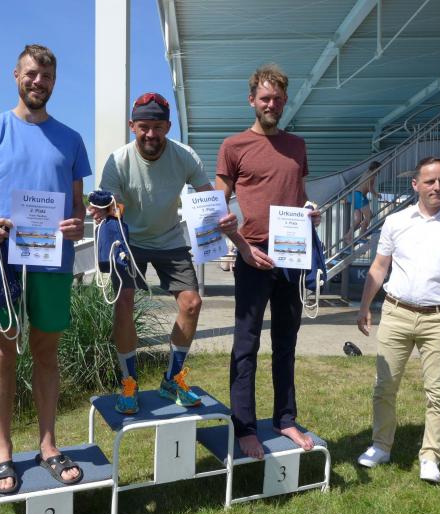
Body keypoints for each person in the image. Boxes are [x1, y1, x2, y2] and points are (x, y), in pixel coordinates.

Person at [0, 44, 89, 492]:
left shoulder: (71, 139)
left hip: (51, 257)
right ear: (16, 75)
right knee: (2, 352)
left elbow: (77, 205)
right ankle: (3, 450)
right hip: (0, 258)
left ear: (54, 82)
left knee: (47, 352)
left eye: (46, 76)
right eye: (31, 74)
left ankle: (48, 445)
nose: (38, 82)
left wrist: (77, 224)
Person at [92, 92, 239, 415]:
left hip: (170, 239)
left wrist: (226, 221)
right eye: (144, 126)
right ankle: (129, 382)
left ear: (168, 127)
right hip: (129, 239)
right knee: (124, 302)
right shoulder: (118, 161)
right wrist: (106, 209)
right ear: (132, 126)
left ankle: (171, 379)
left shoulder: (185, 156)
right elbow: (113, 206)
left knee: (192, 303)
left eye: (158, 127)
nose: (151, 134)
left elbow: (209, 198)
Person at [355, 157, 440, 484]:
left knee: (438, 392)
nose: (437, 187)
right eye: (429, 181)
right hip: (396, 313)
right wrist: (365, 305)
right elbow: (379, 266)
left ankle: (430, 456)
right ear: (415, 185)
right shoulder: (396, 221)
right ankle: (381, 446)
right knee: (384, 386)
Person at [215, 64, 321, 459]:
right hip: (253, 257)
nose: (271, 104)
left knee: (286, 344)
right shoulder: (234, 146)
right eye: (265, 98)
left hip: (292, 258)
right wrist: (241, 246)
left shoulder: (297, 146)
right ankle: (244, 426)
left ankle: (285, 418)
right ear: (252, 101)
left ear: (284, 100)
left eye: (277, 99)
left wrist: (310, 212)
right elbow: (217, 206)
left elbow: (298, 193)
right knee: (246, 344)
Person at [343, 161, 381, 245]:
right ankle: (362, 235)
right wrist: (376, 195)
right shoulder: (372, 175)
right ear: (376, 168)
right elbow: (369, 187)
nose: (379, 171)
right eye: (379, 169)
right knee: (369, 216)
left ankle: (348, 236)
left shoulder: (367, 173)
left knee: (358, 219)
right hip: (359, 196)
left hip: (355, 195)